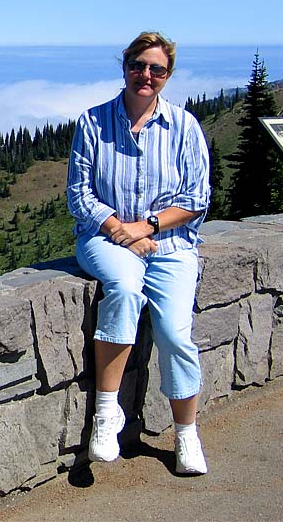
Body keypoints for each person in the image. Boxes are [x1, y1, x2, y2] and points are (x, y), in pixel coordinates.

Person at [67, 31, 211, 474]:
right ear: (125, 66)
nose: (145, 75)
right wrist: (121, 231)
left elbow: (196, 198)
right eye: (138, 65)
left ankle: (186, 434)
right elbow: (80, 193)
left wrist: (145, 227)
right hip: (104, 238)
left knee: (173, 333)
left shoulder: (185, 127)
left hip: (169, 246)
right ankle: (107, 416)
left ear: (168, 75)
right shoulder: (93, 123)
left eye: (157, 69)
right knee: (125, 289)